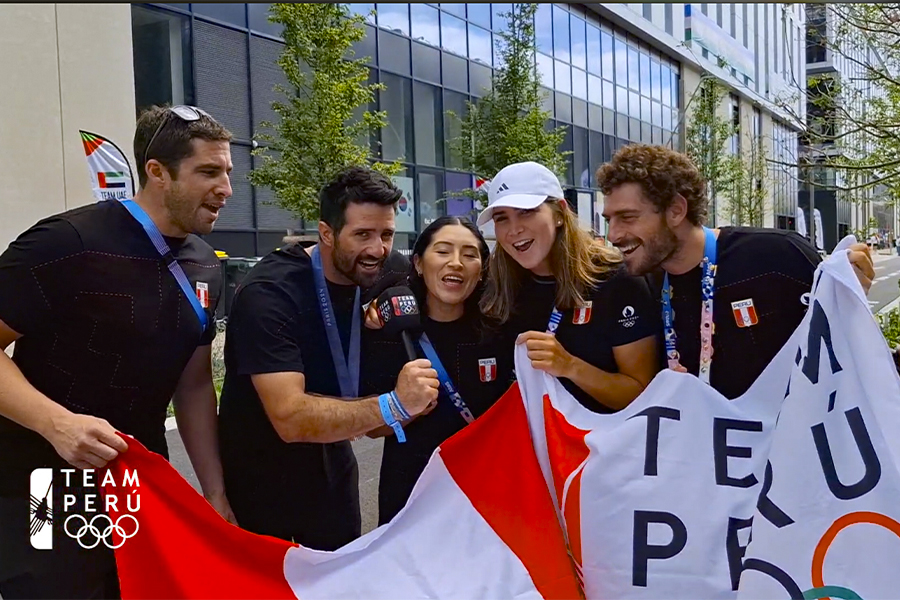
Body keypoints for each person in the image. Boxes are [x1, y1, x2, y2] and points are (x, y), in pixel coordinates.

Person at [0, 104, 236, 598]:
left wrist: (214, 492)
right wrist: (56, 423)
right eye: (208, 172)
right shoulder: (67, 242)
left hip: (137, 478)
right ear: (156, 172)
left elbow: (193, 384)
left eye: (228, 173)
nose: (226, 190)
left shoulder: (203, 264)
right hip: (44, 478)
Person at [217, 166, 440, 550]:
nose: (378, 250)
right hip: (259, 479)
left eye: (386, 234)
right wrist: (395, 405)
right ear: (326, 233)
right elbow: (289, 417)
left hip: (333, 471)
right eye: (362, 235)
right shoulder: (270, 293)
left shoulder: (389, 275)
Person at [597, 143, 875, 399]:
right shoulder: (641, 285)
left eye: (628, 217)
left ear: (676, 211)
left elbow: (846, 353)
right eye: (609, 220)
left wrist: (849, 292)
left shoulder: (779, 257)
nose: (614, 235)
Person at [361, 216, 514, 525]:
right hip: (410, 493)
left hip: (483, 495)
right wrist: (405, 407)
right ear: (418, 263)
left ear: (482, 268)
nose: (456, 263)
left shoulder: (501, 331)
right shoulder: (391, 329)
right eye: (443, 251)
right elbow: (372, 428)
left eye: (470, 254)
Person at [477, 161, 660, 413]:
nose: (514, 229)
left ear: (560, 214)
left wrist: (570, 366)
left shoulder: (614, 280)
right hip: (530, 446)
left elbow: (641, 394)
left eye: (526, 212)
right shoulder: (494, 283)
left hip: (602, 447)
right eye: (501, 218)